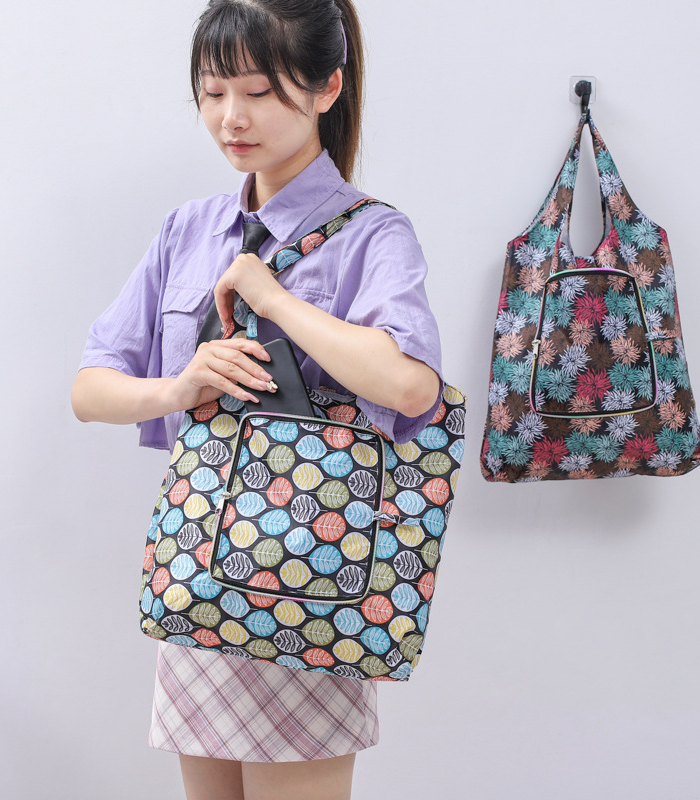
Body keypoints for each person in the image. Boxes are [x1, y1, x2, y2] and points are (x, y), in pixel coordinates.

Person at [71, 1, 444, 798]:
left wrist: (272, 298)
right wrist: (180, 386)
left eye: (259, 92)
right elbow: (90, 389)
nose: (230, 118)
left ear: (326, 87)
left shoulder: (374, 235)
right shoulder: (188, 229)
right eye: (213, 93)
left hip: (311, 586)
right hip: (201, 584)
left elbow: (410, 384)